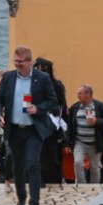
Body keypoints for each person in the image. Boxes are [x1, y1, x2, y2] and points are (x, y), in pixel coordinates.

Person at [0, 45, 59, 205]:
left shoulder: (42, 78)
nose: (17, 64)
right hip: (15, 129)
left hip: (33, 129)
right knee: (17, 165)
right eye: (15, 61)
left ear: (30, 61)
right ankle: (21, 197)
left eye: (21, 62)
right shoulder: (8, 77)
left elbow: (52, 100)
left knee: (32, 164)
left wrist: (38, 108)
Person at [68, 84, 103, 184]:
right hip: (80, 142)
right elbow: (69, 125)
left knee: (95, 168)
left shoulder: (101, 106)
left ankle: (94, 188)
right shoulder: (75, 107)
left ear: (88, 94)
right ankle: (82, 186)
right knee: (77, 163)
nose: (78, 96)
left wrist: (97, 121)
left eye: (80, 93)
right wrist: (68, 142)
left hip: (95, 143)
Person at [33, 56, 68, 186]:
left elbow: (62, 105)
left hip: (52, 123)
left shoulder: (56, 85)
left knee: (50, 153)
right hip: (38, 123)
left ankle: (52, 179)